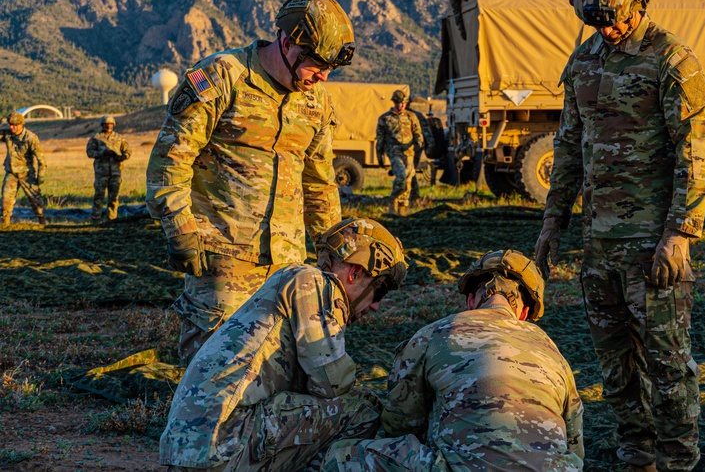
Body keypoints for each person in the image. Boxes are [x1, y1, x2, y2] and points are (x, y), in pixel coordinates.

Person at [533, 0, 705, 472]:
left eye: (613, 18)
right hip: (599, 247)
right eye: (594, 20)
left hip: (652, 246)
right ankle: (637, 454)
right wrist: (552, 223)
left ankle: (678, 460)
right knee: (615, 364)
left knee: (666, 362)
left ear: (639, 3)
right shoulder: (583, 62)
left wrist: (679, 233)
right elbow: (568, 147)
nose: (606, 29)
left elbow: (695, 153)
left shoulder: (671, 61)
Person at [146, 0, 355, 364]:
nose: (322, 76)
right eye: (316, 64)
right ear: (288, 42)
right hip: (223, 260)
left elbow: (320, 183)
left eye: (329, 69)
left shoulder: (317, 102)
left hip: (288, 264)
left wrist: (332, 254)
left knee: (278, 366)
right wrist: (180, 229)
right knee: (211, 372)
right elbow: (170, 160)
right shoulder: (223, 76)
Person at [160, 217, 408, 472]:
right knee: (364, 408)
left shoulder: (293, 281)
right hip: (222, 447)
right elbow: (332, 383)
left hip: (194, 449)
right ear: (355, 273)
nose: (377, 306)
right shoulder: (311, 282)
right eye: (380, 291)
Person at [325, 249, 584, 472]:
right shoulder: (551, 351)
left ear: (471, 301)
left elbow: (400, 424)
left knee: (341, 456)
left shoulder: (435, 333)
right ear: (525, 313)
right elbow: (575, 444)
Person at [375, 90, 424, 215]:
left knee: (408, 182)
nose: (401, 105)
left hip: (409, 153)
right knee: (401, 175)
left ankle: (402, 206)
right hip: (394, 152)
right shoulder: (385, 118)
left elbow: (417, 132)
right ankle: (392, 201)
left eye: (403, 103)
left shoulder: (411, 116)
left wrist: (419, 143)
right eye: (398, 103)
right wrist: (379, 156)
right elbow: (380, 138)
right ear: (394, 102)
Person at [1, 111, 46, 226]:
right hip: (11, 173)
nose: (12, 127)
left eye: (15, 125)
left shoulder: (31, 138)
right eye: (10, 125)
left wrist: (41, 176)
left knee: (36, 201)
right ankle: (5, 225)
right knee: (6, 201)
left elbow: (41, 159)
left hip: (26, 174)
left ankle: (43, 223)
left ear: (21, 124)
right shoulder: (7, 135)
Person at [86, 115, 132, 223]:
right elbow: (90, 152)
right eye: (106, 124)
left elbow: (128, 151)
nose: (109, 126)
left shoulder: (119, 138)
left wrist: (122, 157)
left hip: (116, 172)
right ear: (102, 125)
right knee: (99, 196)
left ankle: (112, 218)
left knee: (114, 197)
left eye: (110, 124)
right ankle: (96, 219)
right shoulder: (96, 138)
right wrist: (102, 153)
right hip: (101, 172)